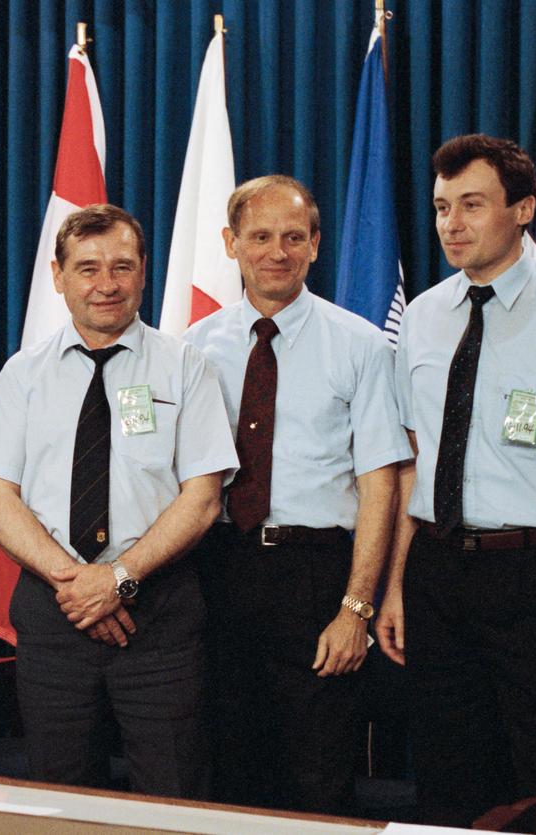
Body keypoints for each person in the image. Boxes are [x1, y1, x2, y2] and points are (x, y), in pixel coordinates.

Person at [377, 134, 536, 826]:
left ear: (523, 209)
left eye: (471, 204)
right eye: (440, 207)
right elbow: (417, 460)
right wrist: (400, 583)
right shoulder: (426, 316)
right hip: (438, 576)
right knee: (447, 777)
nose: (451, 224)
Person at [0, 204, 236, 798]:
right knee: (62, 799)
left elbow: (202, 498)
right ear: (58, 276)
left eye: (121, 266)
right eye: (87, 268)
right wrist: (80, 584)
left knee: (174, 798)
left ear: (144, 272)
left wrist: (119, 579)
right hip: (54, 612)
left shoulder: (187, 367)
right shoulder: (22, 374)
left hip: (160, 617)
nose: (106, 284)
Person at [183, 175, 408, 814]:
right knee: (228, 771)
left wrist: (355, 609)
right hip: (219, 568)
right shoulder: (194, 349)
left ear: (315, 245)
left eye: (292, 237)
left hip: (316, 576)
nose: (275, 251)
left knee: (317, 780)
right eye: (259, 236)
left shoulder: (360, 345)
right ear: (231, 244)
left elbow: (380, 483)